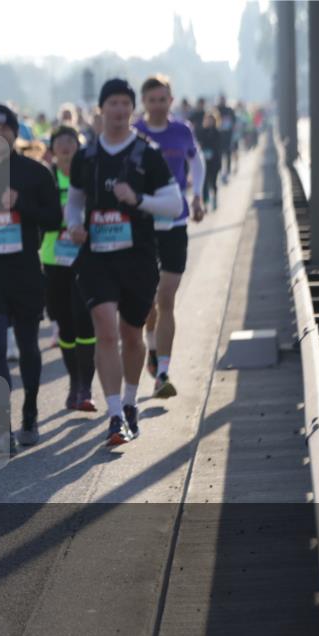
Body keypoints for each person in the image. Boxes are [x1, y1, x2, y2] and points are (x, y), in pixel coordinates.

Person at [65, 79, 182, 445]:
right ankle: (114, 414)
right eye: (112, 103)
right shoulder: (86, 156)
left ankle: (130, 403)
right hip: (96, 257)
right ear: (101, 109)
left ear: (133, 109)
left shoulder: (148, 154)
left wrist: (138, 199)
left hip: (138, 257)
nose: (118, 109)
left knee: (132, 336)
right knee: (106, 331)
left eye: (124, 103)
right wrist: (74, 225)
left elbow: (174, 204)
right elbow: (75, 199)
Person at [0, 104, 62, 451]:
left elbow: (54, 219)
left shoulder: (36, 172)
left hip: (25, 272)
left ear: (15, 133)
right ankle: (2, 427)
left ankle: (30, 414)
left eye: (5, 130)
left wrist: (21, 203)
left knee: (28, 345)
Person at [134, 75, 205, 399]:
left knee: (166, 299)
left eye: (163, 99)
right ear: (144, 102)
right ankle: (151, 348)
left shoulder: (182, 131)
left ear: (171, 101)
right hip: (144, 225)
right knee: (148, 302)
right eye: (152, 100)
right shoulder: (136, 133)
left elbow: (197, 161)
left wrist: (198, 195)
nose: (158, 105)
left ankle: (163, 372)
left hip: (175, 223)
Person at [41, 125, 97, 411]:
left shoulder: (88, 172)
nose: (65, 146)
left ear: (79, 145)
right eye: (59, 141)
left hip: (85, 257)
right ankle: (74, 381)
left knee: (84, 320)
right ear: (52, 148)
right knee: (64, 323)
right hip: (54, 260)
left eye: (70, 140)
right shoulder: (47, 177)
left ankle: (86, 386)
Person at [197, 111, 223, 210]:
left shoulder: (217, 132)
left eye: (211, 120)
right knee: (204, 183)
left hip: (214, 161)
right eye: (208, 120)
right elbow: (199, 145)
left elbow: (219, 148)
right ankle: (206, 203)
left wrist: (218, 160)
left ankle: (215, 198)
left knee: (213, 183)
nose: (209, 122)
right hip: (204, 162)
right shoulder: (201, 132)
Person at [216, 95, 236, 181]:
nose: (222, 101)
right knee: (219, 154)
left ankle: (228, 170)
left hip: (228, 135)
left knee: (228, 153)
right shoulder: (216, 109)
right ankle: (220, 171)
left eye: (223, 99)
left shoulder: (229, 110)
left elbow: (234, 121)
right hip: (219, 136)